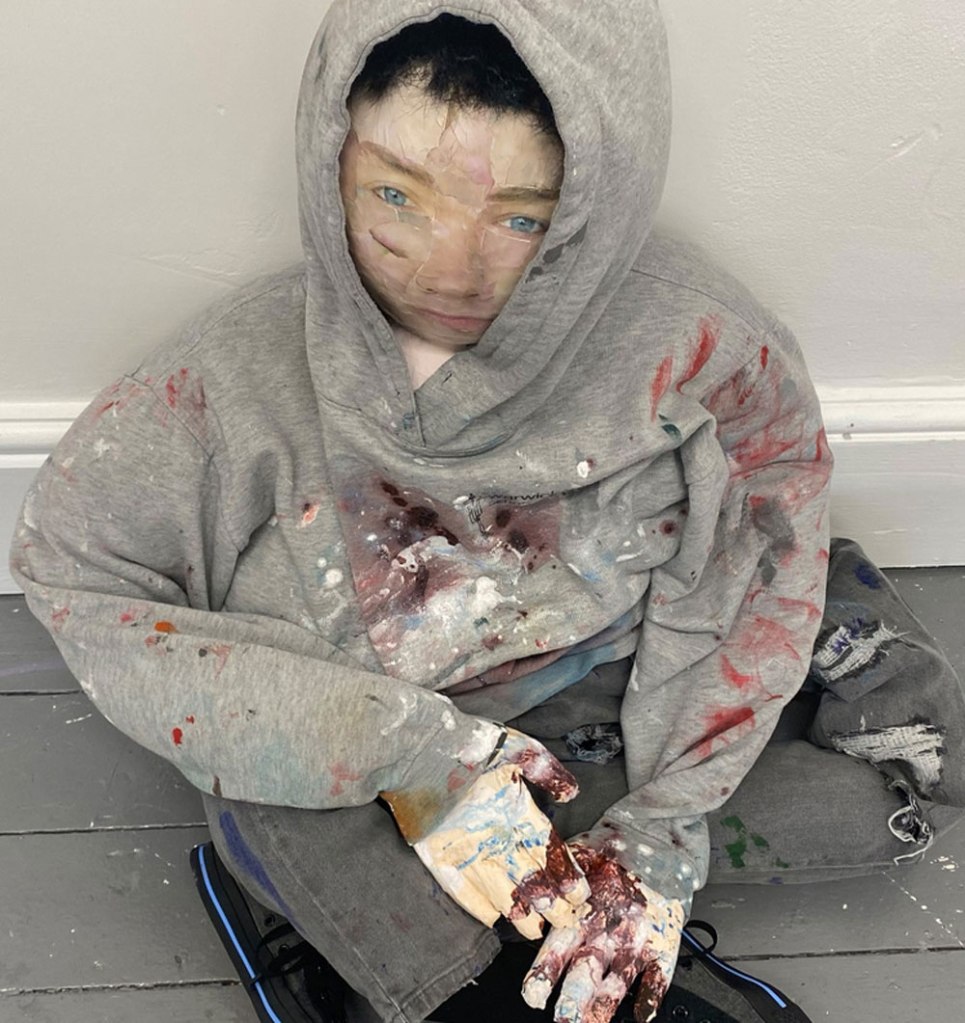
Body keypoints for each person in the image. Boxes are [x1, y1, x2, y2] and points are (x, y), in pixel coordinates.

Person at [10, 3, 965, 1022]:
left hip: (608, 691)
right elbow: (75, 569)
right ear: (330, 162)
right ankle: (486, 982)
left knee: (889, 776)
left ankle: (576, 917)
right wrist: (414, 754)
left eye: (521, 218)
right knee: (279, 809)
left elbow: (758, 548)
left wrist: (658, 834)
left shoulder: (706, 349)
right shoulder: (231, 376)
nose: (448, 272)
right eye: (394, 195)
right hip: (364, 721)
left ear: (597, 202)